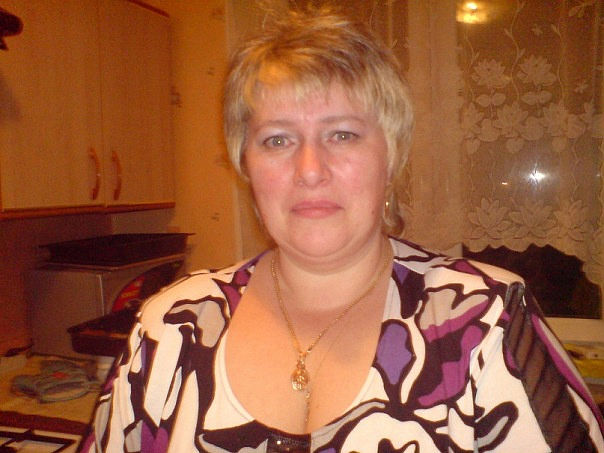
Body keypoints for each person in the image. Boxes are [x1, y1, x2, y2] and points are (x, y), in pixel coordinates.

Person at [79, 5, 604, 452]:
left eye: (343, 134)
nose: (309, 170)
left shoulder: (486, 324)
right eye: (277, 140)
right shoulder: (170, 329)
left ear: (391, 158)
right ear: (245, 164)